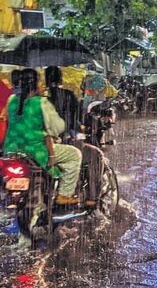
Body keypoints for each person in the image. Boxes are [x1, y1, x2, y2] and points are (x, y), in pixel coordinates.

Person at [3, 68, 82, 206]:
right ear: (37, 84)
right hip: (36, 151)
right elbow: (58, 127)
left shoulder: (12, 100)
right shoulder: (41, 102)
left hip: (12, 150)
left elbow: (10, 122)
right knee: (75, 155)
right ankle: (64, 194)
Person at [46, 66, 102, 207]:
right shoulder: (67, 95)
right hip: (60, 142)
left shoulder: (40, 99)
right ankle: (92, 199)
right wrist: (84, 125)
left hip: (34, 148)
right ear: (60, 78)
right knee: (95, 156)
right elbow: (78, 118)